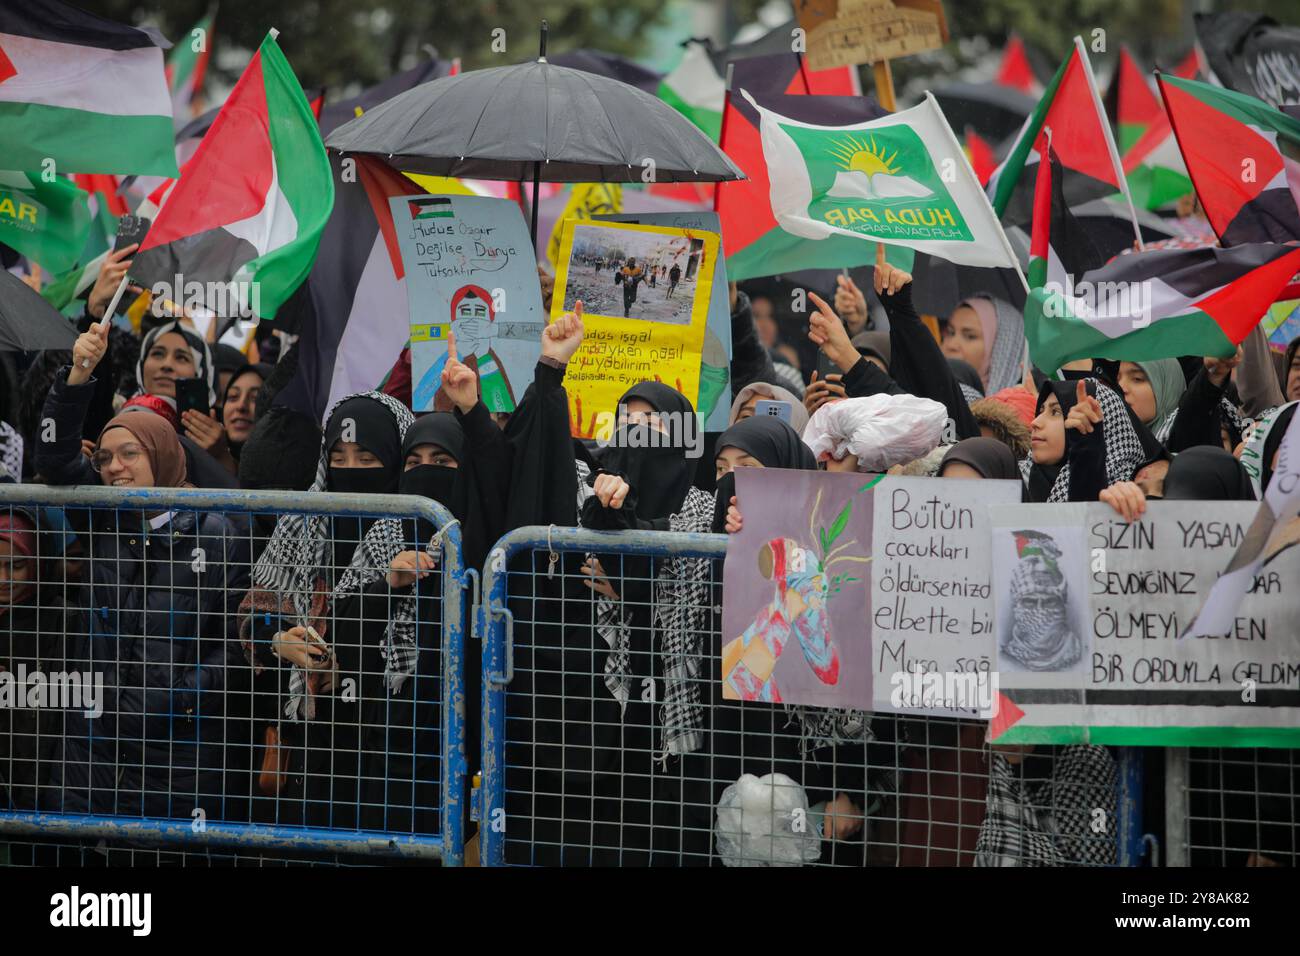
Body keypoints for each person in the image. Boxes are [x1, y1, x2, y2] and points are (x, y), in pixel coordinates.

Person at [41, 411, 251, 818]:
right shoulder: (102, 520)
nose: (114, 467)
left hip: (179, 750)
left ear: (162, 454)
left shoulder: (220, 534)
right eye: (104, 458)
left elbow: (238, 642)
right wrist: (78, 376)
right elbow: (52, 459)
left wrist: (178, 694)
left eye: (129, 453)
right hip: (92, 745)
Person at [237, 390, 413, 828]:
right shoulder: (301, 524)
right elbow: (252, 611)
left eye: (368, 459)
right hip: (315, 737)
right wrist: (279, 640)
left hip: (390, 735)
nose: (351, 470)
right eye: (340, 456)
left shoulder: (418, 526)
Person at [940, 296, 1026, 395]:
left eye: (970, 336)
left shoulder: (1023, 408)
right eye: (950, 333)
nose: (951, 345)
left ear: (1000, 351)